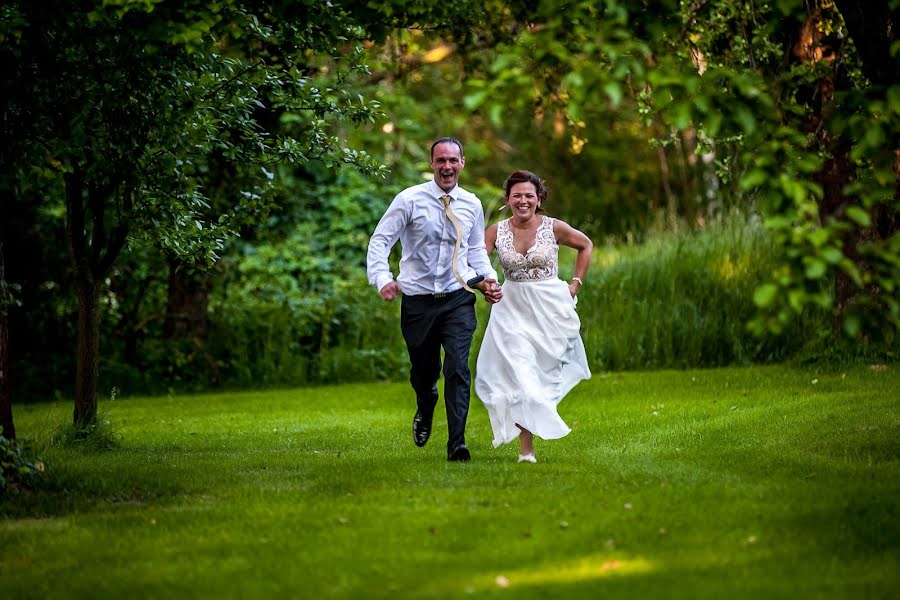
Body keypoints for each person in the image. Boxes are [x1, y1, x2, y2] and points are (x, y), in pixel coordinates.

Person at [367, 137, 502, 462]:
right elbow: (380, 241)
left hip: (457, 298)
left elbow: (475, 252)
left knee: (457, 368)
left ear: (462, 163)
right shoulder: (409, 200)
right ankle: (425, 403)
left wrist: (489, 280)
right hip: (417, 302)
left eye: (453, 160)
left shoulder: (471, 203)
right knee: (424, 373)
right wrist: (383, 279)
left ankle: (457, 444)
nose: (447, 167)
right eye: (441, 160)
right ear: (432, 164)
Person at [475, 169, 592, 463]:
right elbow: (475, 263)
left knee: (541, 376)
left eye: (529, 195)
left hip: (549, 308)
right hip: (511, 308)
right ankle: (526, 452)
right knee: (520, 375)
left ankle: (539, 416)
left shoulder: (553, 228)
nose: (523, 201)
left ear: (539, 199)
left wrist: (575, 284)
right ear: (508, 199)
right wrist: (484, 285)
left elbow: (585, 245)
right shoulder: (495, 232)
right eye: (517, 195)